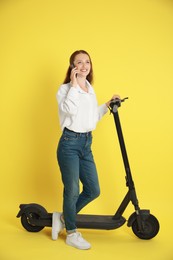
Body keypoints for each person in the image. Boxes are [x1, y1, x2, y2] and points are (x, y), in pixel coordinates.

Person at [52, 50, 120, 250]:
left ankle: (64, 217)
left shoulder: (90, 89)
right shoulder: (64, 89)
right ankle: (71, 233)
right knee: (72, 190)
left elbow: (90, 118)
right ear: (72, 67)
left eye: (87, 62)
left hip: (86, 144)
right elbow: (69, 111)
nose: (84, 66)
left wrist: (107, 105)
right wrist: (74, 85)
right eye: (78, 62)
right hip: (69, 144)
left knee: (93, 190)